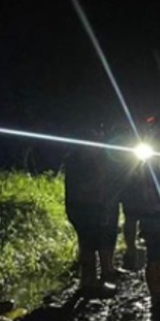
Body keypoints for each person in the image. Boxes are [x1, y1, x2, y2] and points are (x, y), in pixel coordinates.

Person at [63, 125, 119, 296]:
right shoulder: (79, 160)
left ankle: (92, 280)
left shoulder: (80, 158)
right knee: (88, 243)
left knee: (91, 242)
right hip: (86, 207)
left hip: (86, 206)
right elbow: (84, 185)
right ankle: (89, 282)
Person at [122, 152, 160, 305]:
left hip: (156, 218)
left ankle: (157, 286)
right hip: (154, 218)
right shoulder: (150, 174)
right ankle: (155, 289)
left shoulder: (150, 172)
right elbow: (152, 195)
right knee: (157, 254)